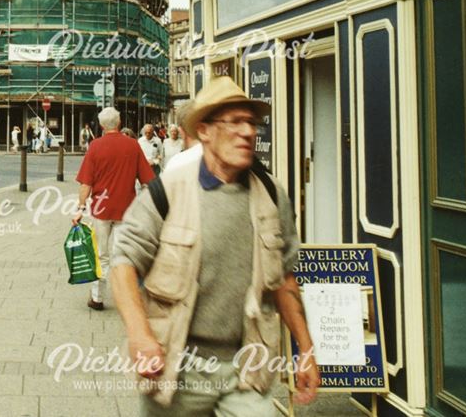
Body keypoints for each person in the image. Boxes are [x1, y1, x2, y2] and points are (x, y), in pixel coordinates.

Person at [110, 77, 319, 415]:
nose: (248, 132)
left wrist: (305, 350)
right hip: (178, 365)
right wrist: (139, 334)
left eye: (251, 122)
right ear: (205, 131)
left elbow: (284, 277)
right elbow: (123, 264)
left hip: (248, 364)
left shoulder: (271, 193)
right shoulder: (168, 191)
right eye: (234, 122)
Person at [72, 106, 154, 311]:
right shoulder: (133, 146)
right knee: (123, 254)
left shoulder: (95, 147)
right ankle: (127, 297)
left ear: (100, 125)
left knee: (101, 254)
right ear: (119, 124)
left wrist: (80, 208)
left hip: (101, 209)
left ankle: (97, 297)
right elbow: (148, 181)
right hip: (127, 209)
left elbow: (86, 184)